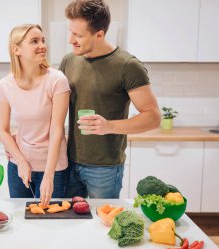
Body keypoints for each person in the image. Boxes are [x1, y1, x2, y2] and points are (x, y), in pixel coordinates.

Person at [60, 0, 161, 199]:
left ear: (100, 34)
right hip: (68, 161)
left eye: (78, 35)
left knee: (101, 223)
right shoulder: (69, 60)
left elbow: (153, 116)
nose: (71, 40)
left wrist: (109, 126)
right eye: (70, 32)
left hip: (104, 168)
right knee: (69, 222)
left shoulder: (128, 66)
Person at [0, 24, 70, 206]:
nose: (42, 45)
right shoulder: (5, 85)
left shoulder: (57, 80)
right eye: (34, 41)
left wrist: (49, 175)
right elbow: (3, 130)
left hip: (53, 168)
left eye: (43, 40)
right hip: (19, 168)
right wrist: (20, 162)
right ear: (17, 49)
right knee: (20, 220)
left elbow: (56, 131)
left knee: (49, 223)